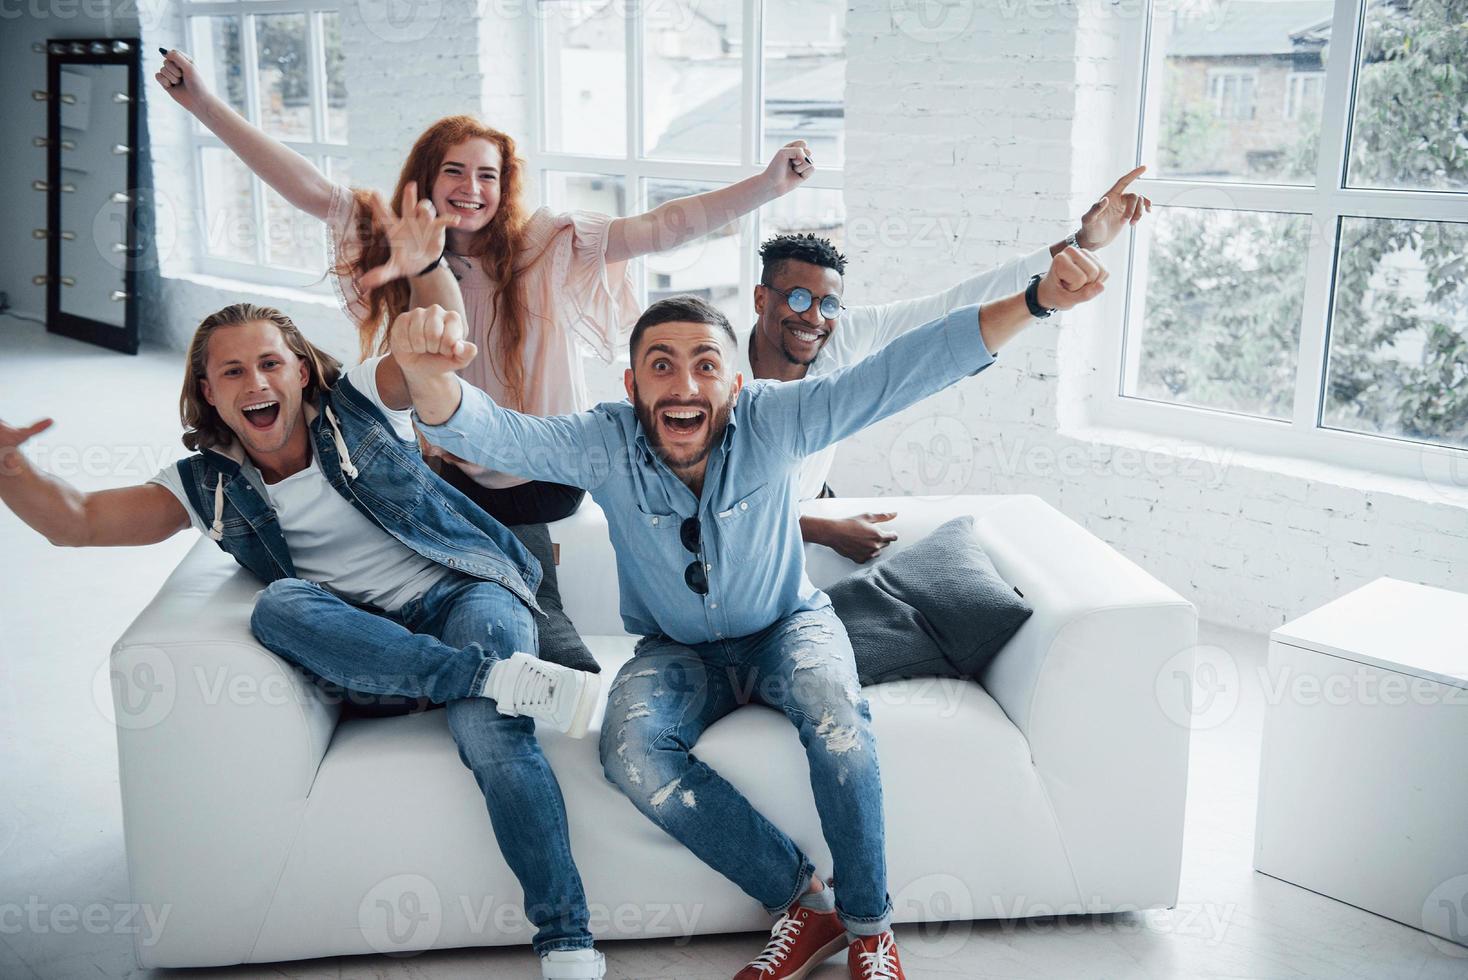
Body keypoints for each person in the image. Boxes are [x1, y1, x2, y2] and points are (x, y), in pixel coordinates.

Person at [388, 239, 1110, 979]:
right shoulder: (604, 440)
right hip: (676, 653)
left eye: (705, 364)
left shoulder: (775, 419)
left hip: (787, 629)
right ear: (632, 383)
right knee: (628, 750)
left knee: (838, 723)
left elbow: (902, 371)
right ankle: (803, 902)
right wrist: (425, 377)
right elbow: (494, 431)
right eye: (662, 365)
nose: (684, 383)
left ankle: (868, 930)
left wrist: (1034, 302)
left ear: (734, 383)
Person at [0, 303, 611, 980]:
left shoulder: (356, 406)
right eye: (231, 371)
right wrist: (11, 468)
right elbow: (77, 521)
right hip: (373, 649)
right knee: (280, 605)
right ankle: (491, 677)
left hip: (470, 592)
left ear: (301, 368)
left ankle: (565, 941)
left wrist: (422, 339)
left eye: (269, 362)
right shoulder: (205, 485)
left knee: (493, 736)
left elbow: (405, 372)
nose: (254, 382)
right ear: (208, 391)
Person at [155, 48, 814, 674]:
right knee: (400, 556)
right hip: (443, 466)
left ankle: (561, 668)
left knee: (519, 583)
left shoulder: (550, 243)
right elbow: (305, 187)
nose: (471, 188)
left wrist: (766, 185)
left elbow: (664, 225)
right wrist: (203, 103)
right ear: (426, 179)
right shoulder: (398, 237)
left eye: (487, 175)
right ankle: (435, 665)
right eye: (455, 171)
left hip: (540, 471)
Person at [743, 168, 1151, 563]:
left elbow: (957, 305)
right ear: (762, 299)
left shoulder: (845, 332)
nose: (813, 318)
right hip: (756, 534)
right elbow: (704, 504)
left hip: (815, 505)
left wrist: (1081, 244)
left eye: (828, 304)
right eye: (797, 298)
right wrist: (821, 530)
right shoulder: (715, 372)